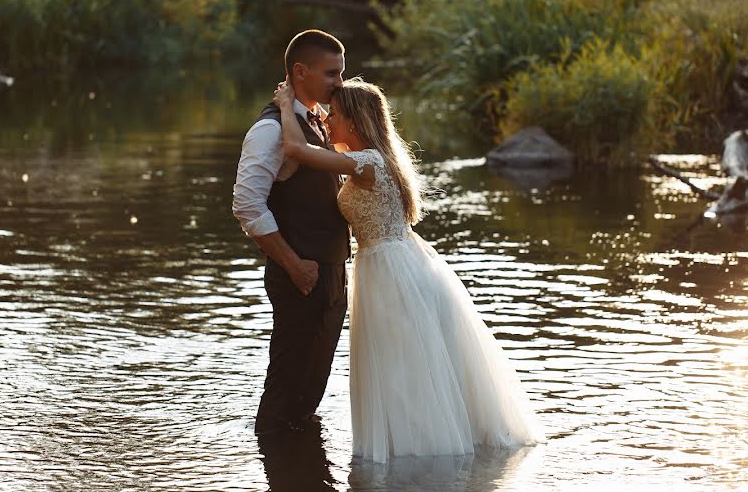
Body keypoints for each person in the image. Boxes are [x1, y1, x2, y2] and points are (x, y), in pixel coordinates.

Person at [272, 77, 546, 462]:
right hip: (392, 263)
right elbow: (319, 142)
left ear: (354, 120)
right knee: (403, 362)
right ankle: (416, 449)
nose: (327, 119)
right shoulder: (372, 156)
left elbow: (296, 148)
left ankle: (418, 456)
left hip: (388, 272)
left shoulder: (367, 162)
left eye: (333, 114)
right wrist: (314, 112)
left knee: (400, 365)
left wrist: (287, 104)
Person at [231, 29, 349, 435]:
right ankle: (277, 465)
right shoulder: (270, 131)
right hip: (301, 275)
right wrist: (294, 264)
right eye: (332, 74)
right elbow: (246, 204)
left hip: (330, 273)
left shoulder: (317, 121)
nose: (340, 83)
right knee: (285, 390)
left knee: (310, 390)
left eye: (342, 73)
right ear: (301, 72)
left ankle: (298, 468)